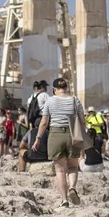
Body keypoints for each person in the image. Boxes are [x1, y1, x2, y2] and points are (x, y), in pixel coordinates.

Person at [33, 78, 83, 209]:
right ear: (66, 87)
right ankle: (72, 187)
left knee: (60, 170)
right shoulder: (75, 100)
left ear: (54, 89)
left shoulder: (50, 100)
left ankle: (64, 200)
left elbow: (44, 123)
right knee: (73, 167)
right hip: (72, 135)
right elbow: (82, 120)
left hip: (55, 135)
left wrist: (38, 138)